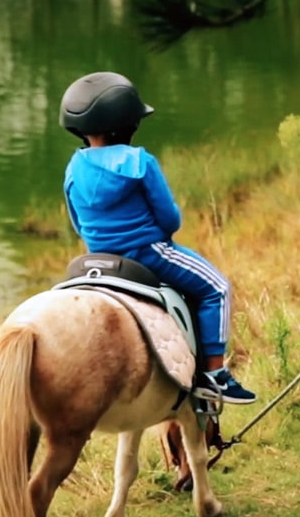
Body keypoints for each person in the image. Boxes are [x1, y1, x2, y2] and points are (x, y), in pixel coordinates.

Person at [60, 71, 257, 405]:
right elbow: (169, 218)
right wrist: (157, 235)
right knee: (217, 288)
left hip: (98, 258)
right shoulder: (140, 162)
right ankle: (215, 375)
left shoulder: (73, 167)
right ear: (127, 125)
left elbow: (77, 223)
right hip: (148, 253)